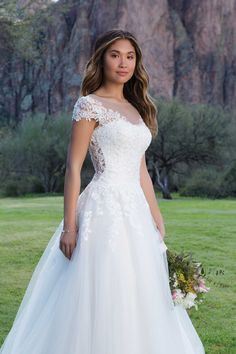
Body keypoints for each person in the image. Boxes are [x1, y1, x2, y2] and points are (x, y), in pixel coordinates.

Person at [0, 29, 205, 354]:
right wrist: (70, 225)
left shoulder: (137, 108)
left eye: (130, 56)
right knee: (103, 284)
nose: (123, 63)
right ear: (101, 58)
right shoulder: (89, 105)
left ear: (136, 63)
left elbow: (141, 171)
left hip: (136, 212)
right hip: (102, 209)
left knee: (138, 289)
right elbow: (73, 167)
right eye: (115, 55)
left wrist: (156, 215)